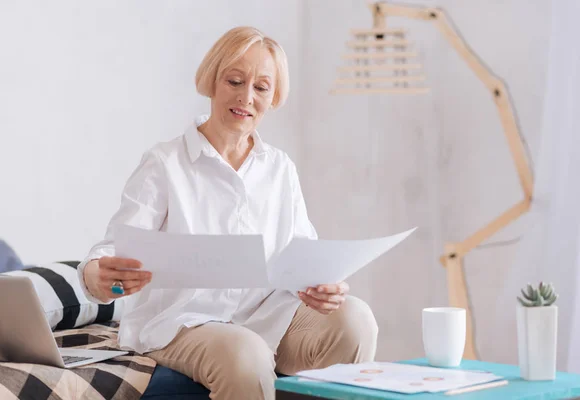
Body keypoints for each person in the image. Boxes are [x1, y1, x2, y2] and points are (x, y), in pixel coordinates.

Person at [77, 26, 378, 400]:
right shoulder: (165, 163)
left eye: (261, 88)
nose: (246, 97)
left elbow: (305, 257)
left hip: (270, 315)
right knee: (245, 353)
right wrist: (96, 274)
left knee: (356, 319)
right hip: (183, 323)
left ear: (273, 97)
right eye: (235, 80)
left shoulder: (280, 169)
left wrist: (323, 287)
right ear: (213, 82)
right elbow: (111, 251)